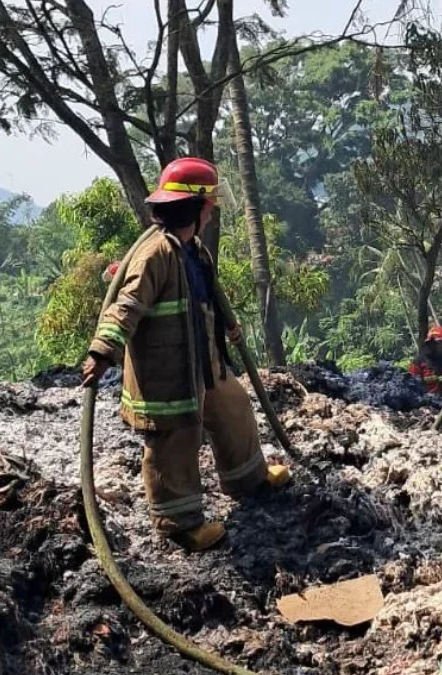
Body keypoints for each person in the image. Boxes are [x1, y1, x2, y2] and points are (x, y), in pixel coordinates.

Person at [80, 157, 290, 552]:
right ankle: (179, 523)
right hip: (166, 374)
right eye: (209, 204)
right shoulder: (154, 255)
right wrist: (102, 351)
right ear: (194, 207)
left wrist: (228, 325)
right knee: (173, 444)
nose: (212, 211)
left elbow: (209, 292)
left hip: (204, 361)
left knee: (233, 407)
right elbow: (126, 307)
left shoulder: (193, 250)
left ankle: (248, 478)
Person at [409, 325, 442, 397]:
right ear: (432, 343)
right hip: (430, 402)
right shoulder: (419, 361)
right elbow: (412, 384)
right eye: (441, 342)